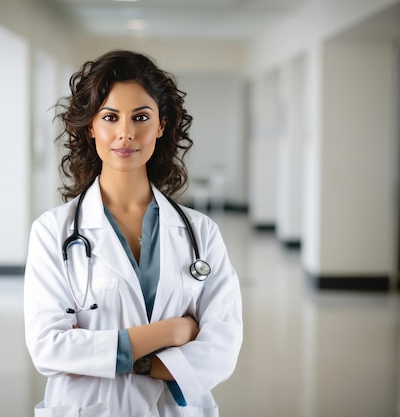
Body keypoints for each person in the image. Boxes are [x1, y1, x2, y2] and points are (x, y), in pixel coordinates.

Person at [24, 50, 243, 417]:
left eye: (141, 117)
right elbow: (49, 347)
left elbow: (221, 348)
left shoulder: (201, 232)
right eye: (110, 117)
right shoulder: (52, 231)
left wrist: (120, 358)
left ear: (161, 125)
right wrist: (169, 334)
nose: (126, 132)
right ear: (91, 126)